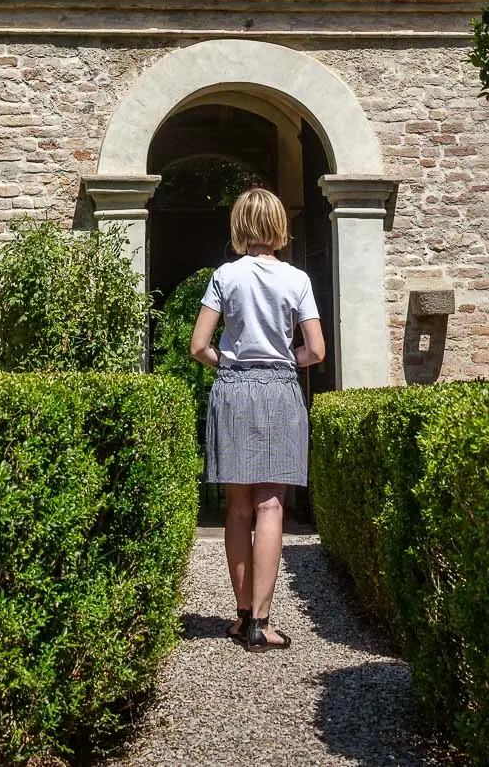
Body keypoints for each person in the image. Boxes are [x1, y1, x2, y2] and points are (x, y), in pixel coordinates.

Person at [188, 186, 326, 651]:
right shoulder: (297, 280)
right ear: (279, 228)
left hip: (234, 389)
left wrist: (228, 362)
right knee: (271, 505)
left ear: (240, 227)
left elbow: (199, 347)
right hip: (281, 390)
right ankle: (261, 624)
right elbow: (317, 350)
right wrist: (287, 358)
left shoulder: (225, 275)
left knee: (238, 506)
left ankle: (241, 614)